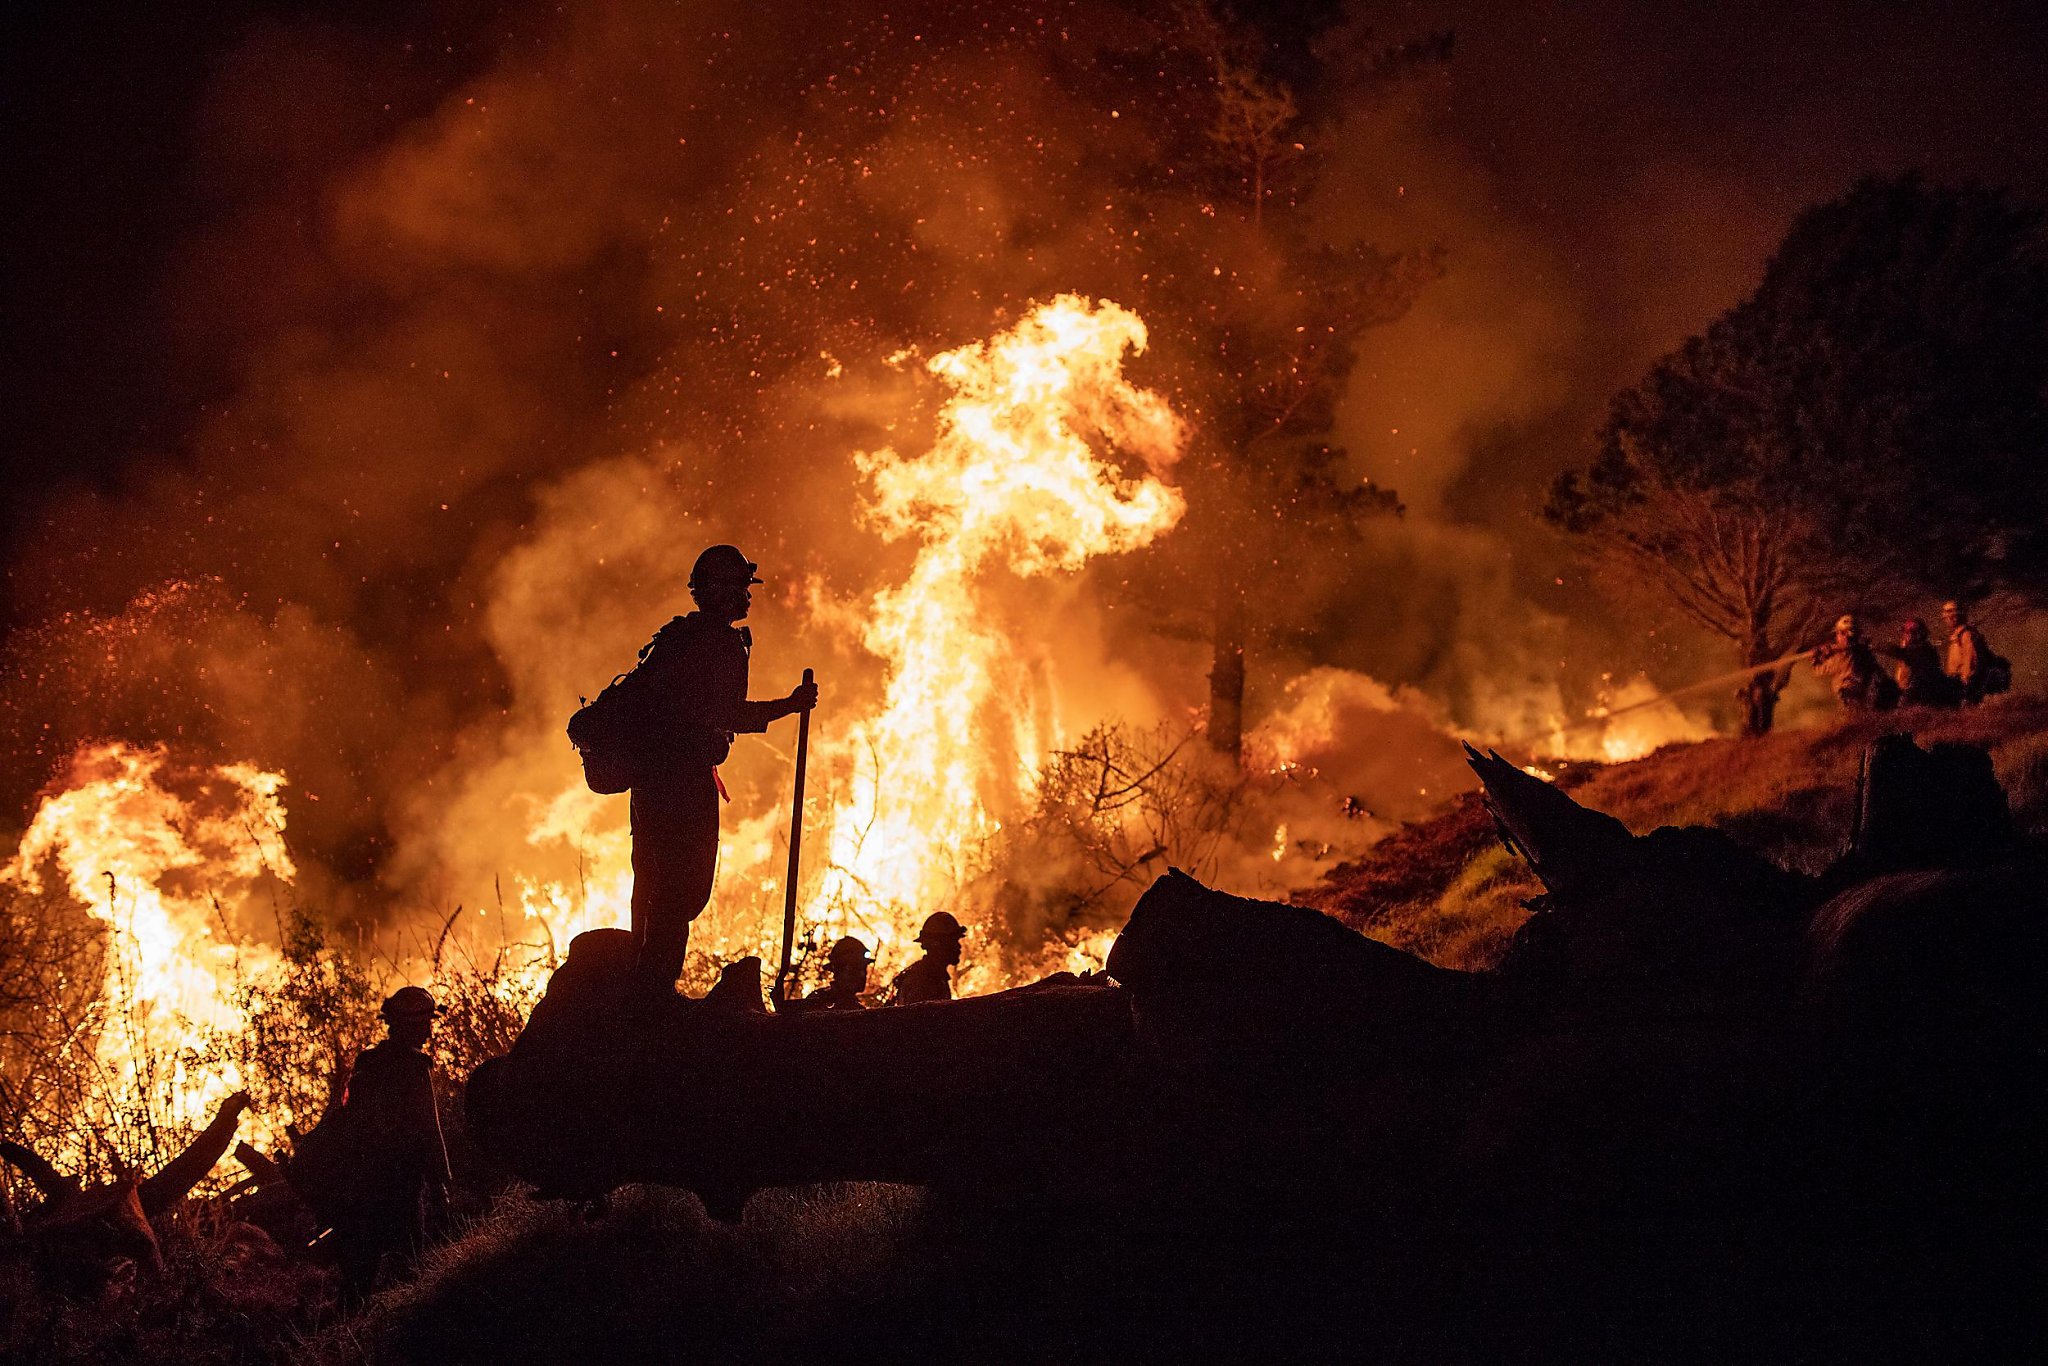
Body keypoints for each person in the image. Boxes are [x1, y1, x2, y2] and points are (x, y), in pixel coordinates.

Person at [630, 544, 817, 996]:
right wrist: (788, 706)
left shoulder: (675, 638)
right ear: (716, 591)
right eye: (739, 588)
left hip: (651, 784)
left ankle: (639, 983)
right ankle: (655, 992)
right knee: (681, 891)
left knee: (651, 883)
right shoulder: (717, 644)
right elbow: (725, 713)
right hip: (685, 782)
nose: (747, 597)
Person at [327, 986, 450, 1295]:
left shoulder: (367, 1063)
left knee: (359, 1275)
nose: (428, 1030)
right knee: (411, 1269)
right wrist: (440, 1187)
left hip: (362, 1184)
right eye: (424, 1023)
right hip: (401, 1186)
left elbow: (348, 1117)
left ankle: (348, 1331)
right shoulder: (414, 1068)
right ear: (408, 1025)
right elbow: (428, 1130)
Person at [1811, 614, 1896, 711]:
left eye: (1840, 633)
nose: (1838, 636)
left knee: (1848, 720)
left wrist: (1816, 657)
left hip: (1847, 696)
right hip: (1862, 695)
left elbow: (1818, 670)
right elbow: (1876, 669)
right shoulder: (1863, 652)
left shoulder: (1842, 656)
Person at [888, 912, 968, 1005]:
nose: (958, 946)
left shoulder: (934, 976)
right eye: (953, 941)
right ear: (937, 945)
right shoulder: (923, 981)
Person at [1878, 618, 1956, 708]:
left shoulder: (1921, 650)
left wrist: (1876, 646)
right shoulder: (1922, 649)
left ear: (1917, 634)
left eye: (1907, 633)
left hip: (1921, 696)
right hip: (1921, 693)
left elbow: (1897, 652)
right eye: (1904, 632)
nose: (1904, 636)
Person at [795, 937, 873, 1011]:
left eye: (863, 968)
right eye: (856, 968)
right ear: (838, 970)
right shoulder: (818, 1002)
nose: (863, 974)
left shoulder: (857, 1008)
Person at [1941, 600, 1993, 705]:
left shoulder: (1966, 635)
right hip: (1957, 685)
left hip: (1965, 687)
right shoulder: (1956, 635)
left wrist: (1966, 684)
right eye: (1946, 613)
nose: (1949, 617)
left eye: (1952, 613)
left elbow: (1971, 661)